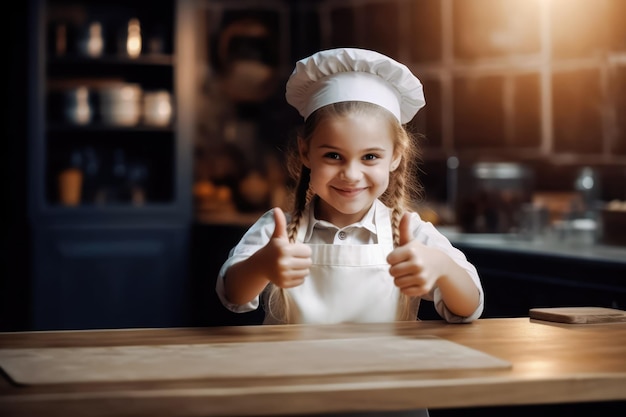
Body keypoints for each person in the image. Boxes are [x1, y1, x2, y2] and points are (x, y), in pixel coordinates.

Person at [215, 48, 484, 416]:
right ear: (306, 152)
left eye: (370, 156)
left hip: (392, 404)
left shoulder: (411, 233)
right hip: (292, 401)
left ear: (395, 156)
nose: (351, 174)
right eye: (333, 156)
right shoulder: (279, 229)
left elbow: (469, 307)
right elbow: (232, 293)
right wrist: (263, 265)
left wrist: (440, 266)